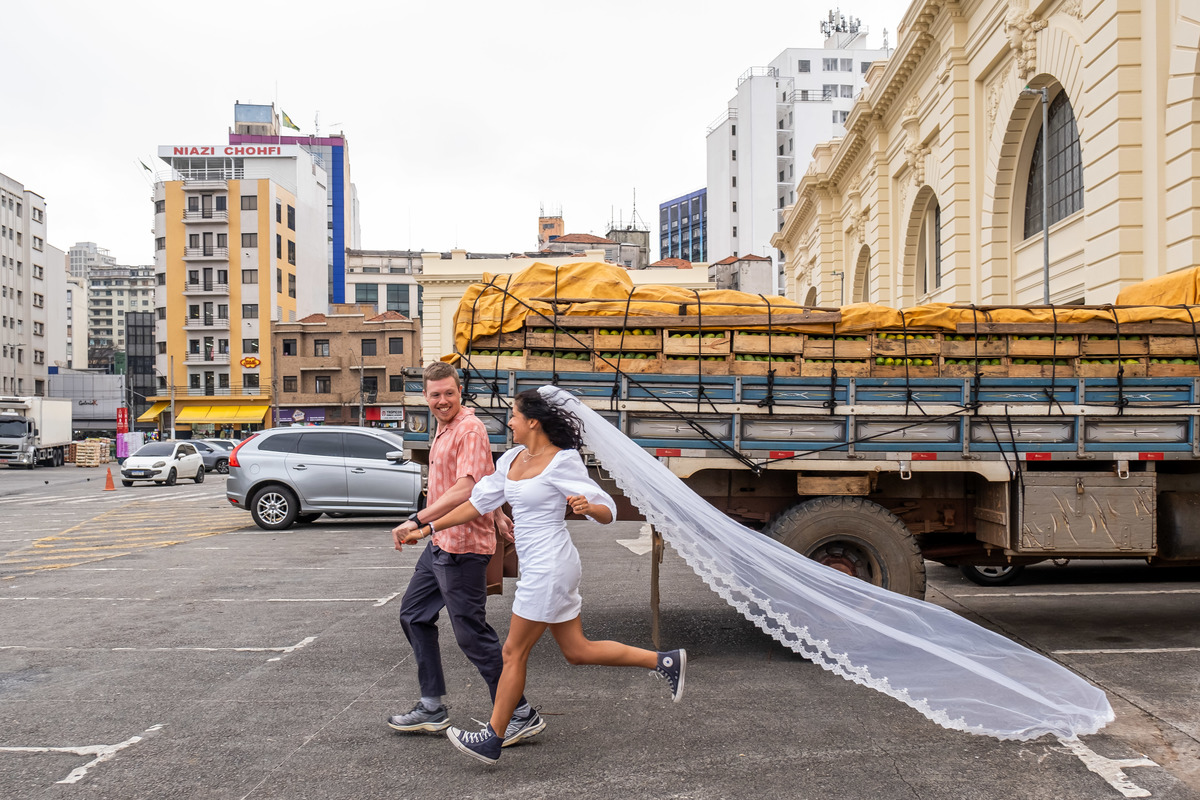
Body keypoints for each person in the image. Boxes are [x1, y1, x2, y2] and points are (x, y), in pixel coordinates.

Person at [399, 388, 686, 765]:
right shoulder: (512, 458)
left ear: (533, 421)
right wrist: (426, 528)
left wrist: (588, 507)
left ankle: (492, 737)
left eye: (515, 416)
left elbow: (608, 510)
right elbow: (476, 503)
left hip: (550, 566)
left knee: (512, 652)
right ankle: (665, 662)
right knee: (577, 651)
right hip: (539, 566)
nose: (510, 422)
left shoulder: (562, 460)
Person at [387, 362, 544, 747]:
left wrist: (417, 519)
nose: (442, 401)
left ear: (460, 392)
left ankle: (520, 712)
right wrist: (498, 516)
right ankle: (431, 706)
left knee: (472, 634)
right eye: (435, 395)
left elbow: (467, 488)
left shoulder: (469, 429)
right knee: (414, 614)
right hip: (441, 545)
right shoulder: (444, 427)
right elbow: (489, 481)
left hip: (463, 547)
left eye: (449, 393)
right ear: (426, 397)